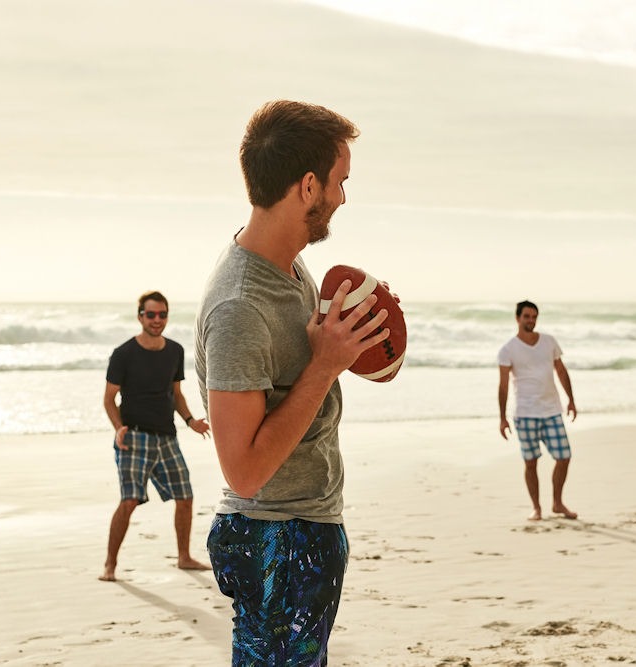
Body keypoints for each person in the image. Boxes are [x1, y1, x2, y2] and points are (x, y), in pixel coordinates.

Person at [195, 100, 390, 666]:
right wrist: (324, 366)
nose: (343, 196)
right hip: (273, 539)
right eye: (340, 180)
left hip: (305, 528)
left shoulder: (291, 265)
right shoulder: (239, 305)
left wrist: (354, 339)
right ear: (308, 187)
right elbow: (245, 472)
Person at [100, 290, 212, 582]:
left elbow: (176, 394)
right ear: (140, 316)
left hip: (167, 437)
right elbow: (109, 399)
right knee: (129, 501)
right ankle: (110, 565)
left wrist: (190, 421)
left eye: (162, 314)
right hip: (134, 437)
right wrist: (118, 428)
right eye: (151, 314)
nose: (157, 320)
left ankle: (184, 557)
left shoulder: (175, 351)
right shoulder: (123, 354)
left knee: (185, 497)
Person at [498, 300, 578, 521]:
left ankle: (557, 503)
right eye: (527, 316)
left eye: (534, 317)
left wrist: (571, 400)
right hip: (525, 413)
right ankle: (536, 508)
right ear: (518, 318)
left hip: (551, 410)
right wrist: (502, 418)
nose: (531, 320)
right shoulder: (508, 350)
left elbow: (561, 371)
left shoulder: (549, 342)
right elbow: (503, 385)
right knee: (531, 462)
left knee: (564, 457)